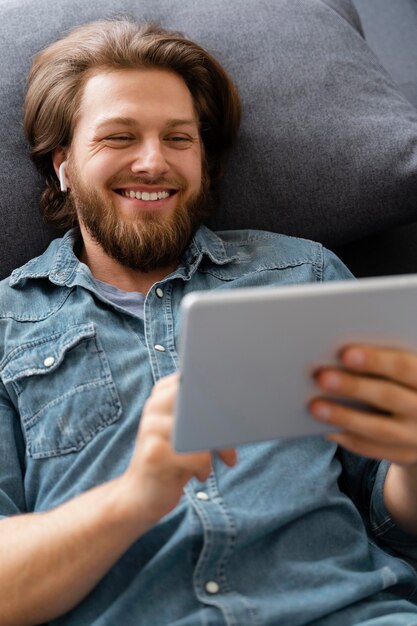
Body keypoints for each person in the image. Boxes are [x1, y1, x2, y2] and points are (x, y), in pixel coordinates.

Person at [1, 18, 417, 626]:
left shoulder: (304, 273)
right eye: (119, 136)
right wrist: (131, 500)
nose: (153, 162)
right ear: (63, 163)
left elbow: (388, 514)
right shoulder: (7, 322)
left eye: (178, 138)